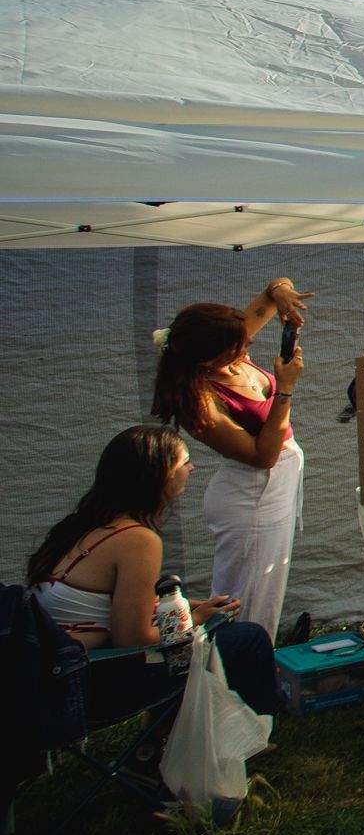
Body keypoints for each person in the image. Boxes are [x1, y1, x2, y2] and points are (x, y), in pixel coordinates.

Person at [27, 425, 282, 720]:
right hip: (82, 684)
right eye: (184, 462)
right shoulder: (137, 539)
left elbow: (101, 608)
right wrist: (198, 618)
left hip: (44, 674)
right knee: (247, 638)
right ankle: (241, 738)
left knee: (213, 636)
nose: (192, 467)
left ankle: (159, 743)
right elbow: (133, 639)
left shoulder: (81, 526)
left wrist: (184, 607)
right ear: (159, 475)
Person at [149, 279, 309, 636]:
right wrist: (285, 388)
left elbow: (272, 293)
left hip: (276, 487)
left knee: (268, 591)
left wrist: (282, 293)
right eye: (241, 346)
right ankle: (231, 673)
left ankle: (254, 666)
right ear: (209, 358)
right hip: (250, 496)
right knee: (244, 598)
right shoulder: (200, 402)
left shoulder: (228, 340)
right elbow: (263, 455)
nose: (249, 343)